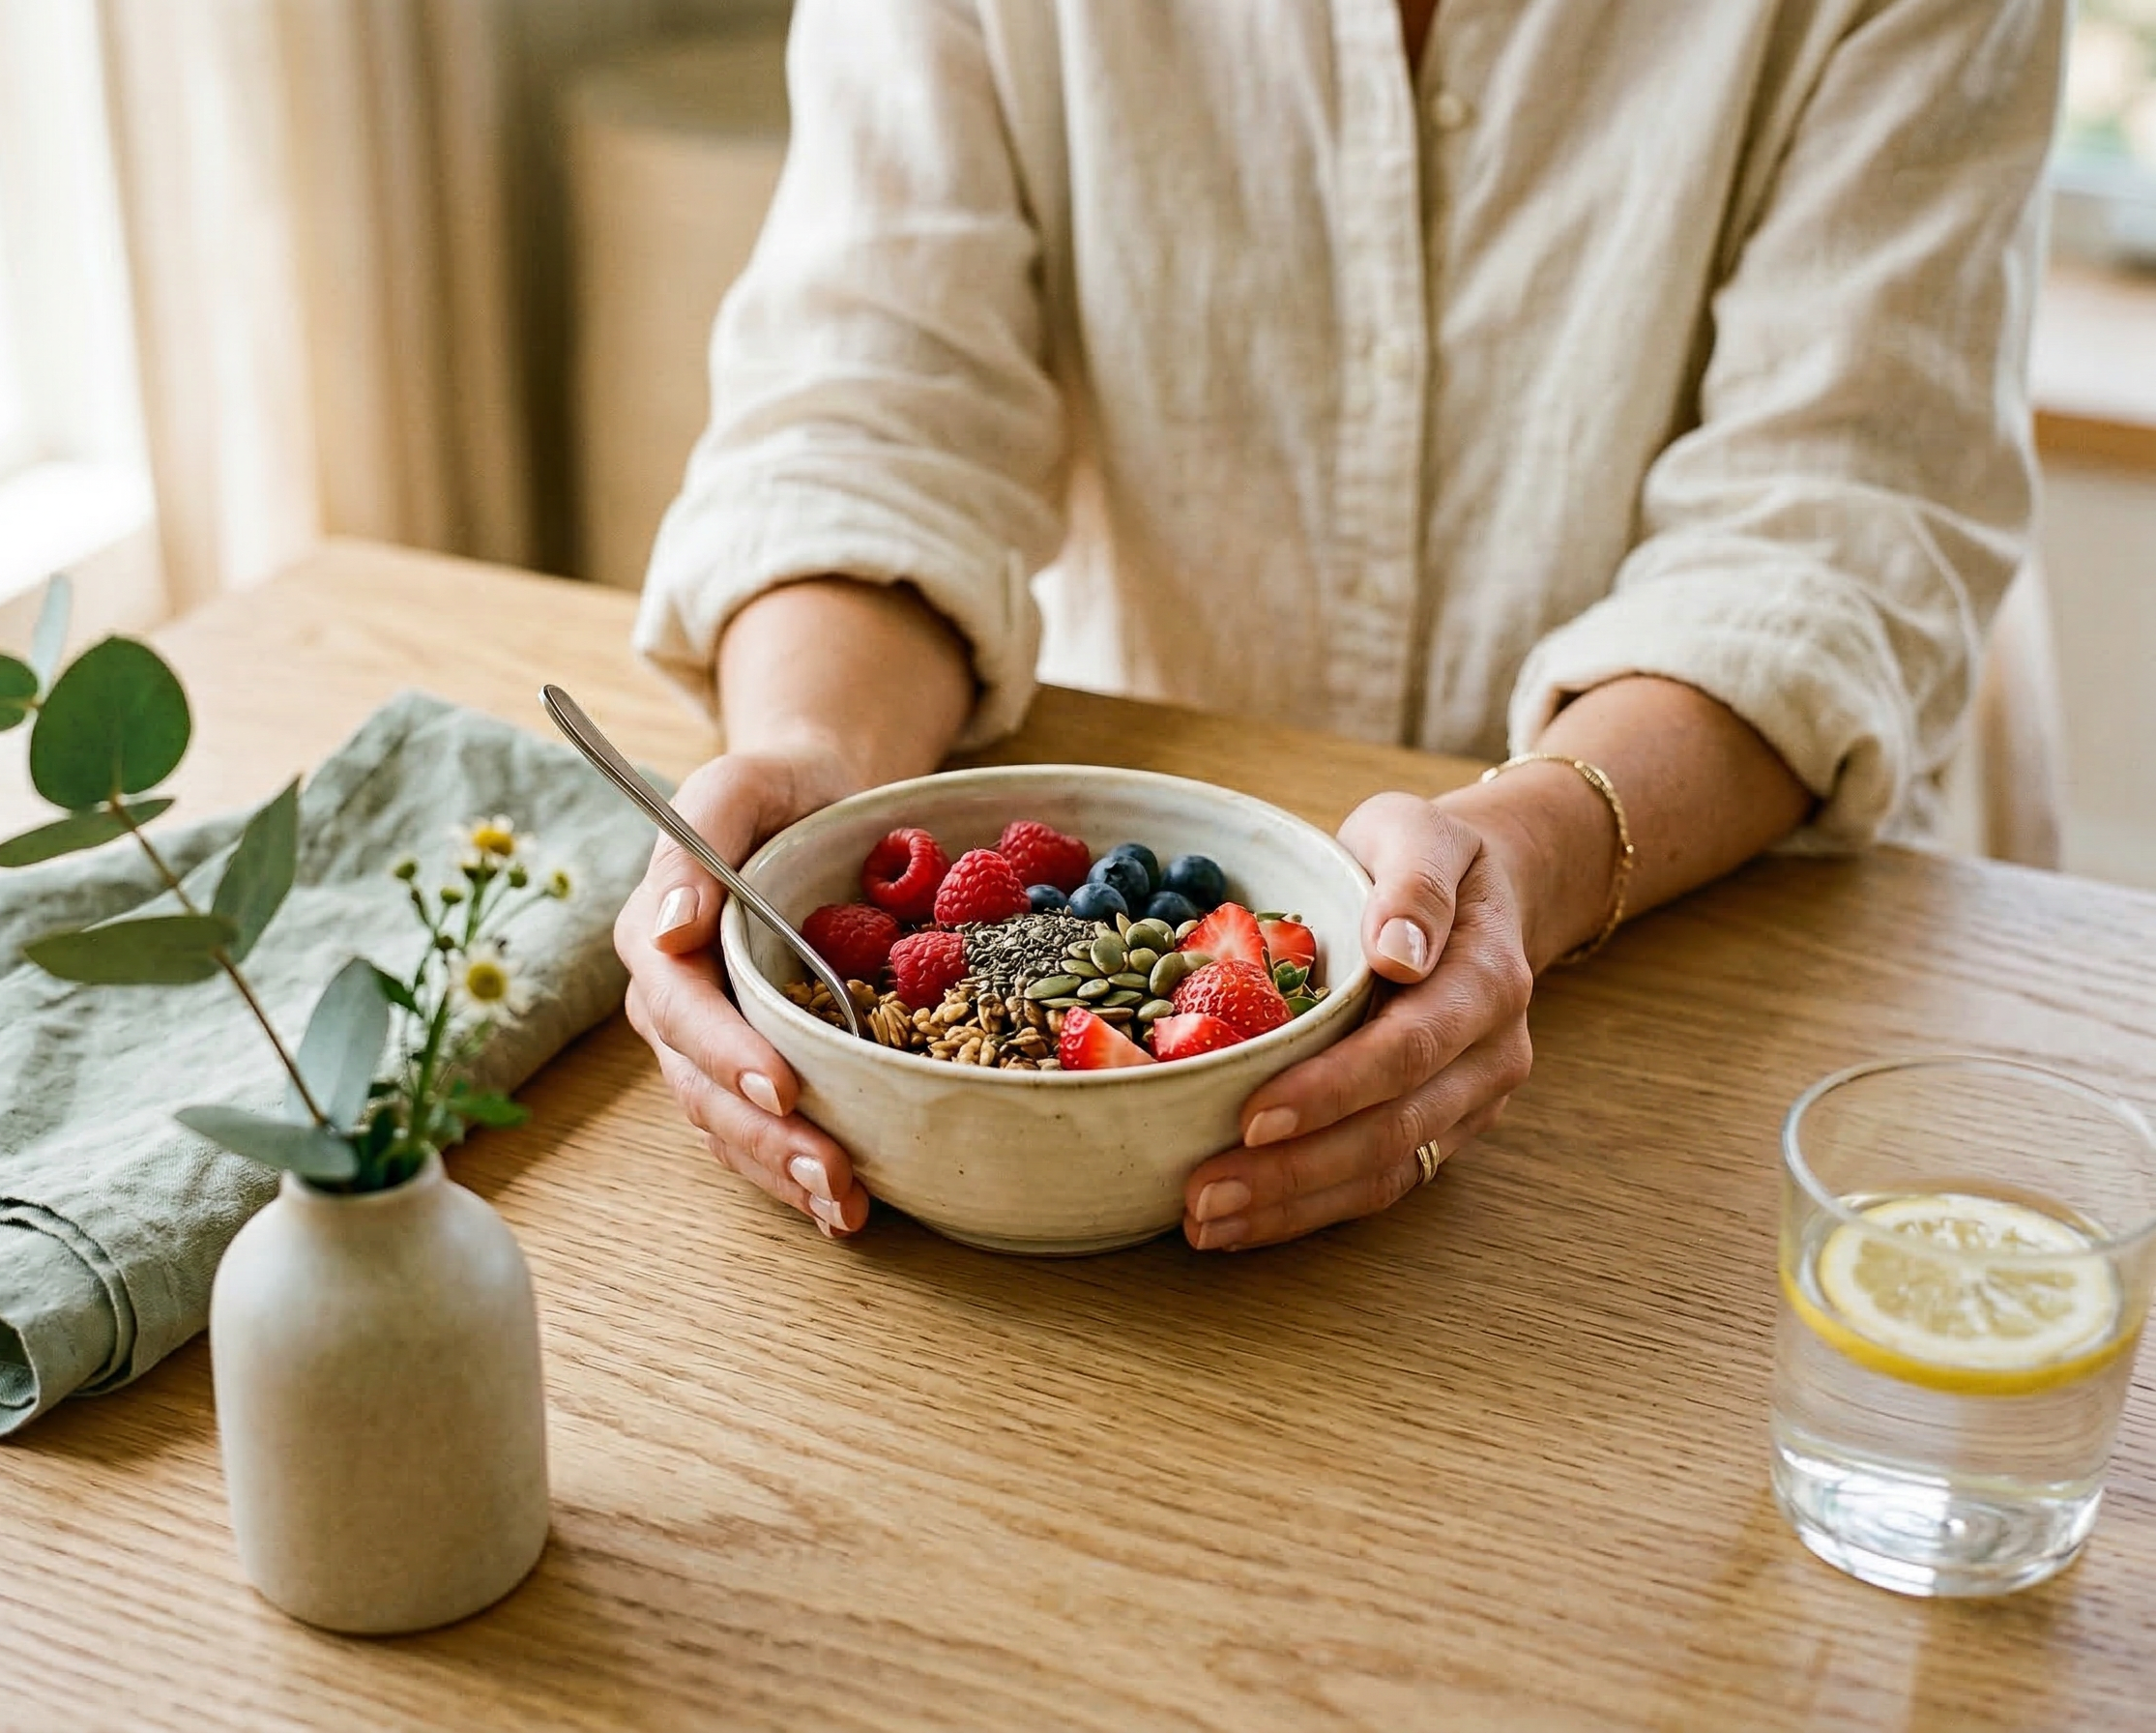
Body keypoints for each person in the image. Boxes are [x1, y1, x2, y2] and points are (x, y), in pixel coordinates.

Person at [614, 0, 2059, 1249]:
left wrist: (1529, 857)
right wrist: (813, 763)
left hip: (1718, 909)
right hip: (1156, 853)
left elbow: (1830, 529)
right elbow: (873, 411)